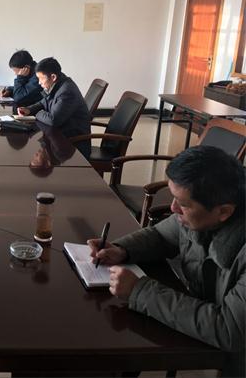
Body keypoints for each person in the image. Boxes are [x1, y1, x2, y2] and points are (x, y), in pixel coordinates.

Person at [88, 145, 245, 377]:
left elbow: (229, 329)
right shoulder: (200, 216)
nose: (172, 208)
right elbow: (161, 235)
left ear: (224, 212)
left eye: (183, 204)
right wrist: (122, 249)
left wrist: (139, 291)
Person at [17, 57, 91, 157]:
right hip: (61, 136)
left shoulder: (66, 91)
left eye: (41, 78)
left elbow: (53, 120)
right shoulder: (57, 83)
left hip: (74, 144)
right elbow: (43, 102)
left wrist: (37, 113)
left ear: (53, 77)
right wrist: (29, 110)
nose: (39, 82)